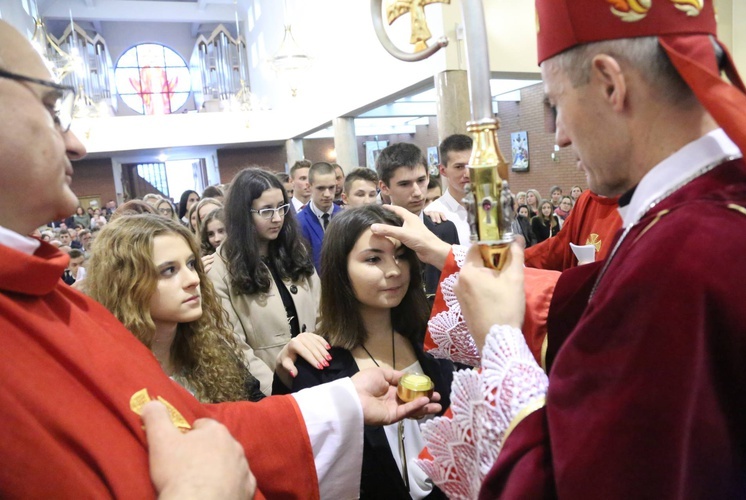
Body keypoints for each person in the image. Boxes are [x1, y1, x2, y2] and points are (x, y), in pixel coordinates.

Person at [0, 20, 441, 499]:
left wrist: (340, 403)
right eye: (50, 107)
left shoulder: (53, 300)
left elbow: (197, 424)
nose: (76, 144)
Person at [390, 1, 746, 497]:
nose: (557, 137)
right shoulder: (710, 211)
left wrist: (501, 338)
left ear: (610, 83)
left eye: (556, 104)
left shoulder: (684, 254)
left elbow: (583, 482)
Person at [292, 205, 453, 499]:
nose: (393, 271)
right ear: (340, 269)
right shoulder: (319, 365)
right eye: (373, 259)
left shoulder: (431, 337)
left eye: (401, 256)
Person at [86, 214, 265, 403]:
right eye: (169, 270)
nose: (193, 279)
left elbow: (256, 413)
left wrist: (284, 372)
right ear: (128, 285)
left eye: (191, 264)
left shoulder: (212, 350)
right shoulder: (107, 378)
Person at [208, 167, 320, 395]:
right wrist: (276, 390)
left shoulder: (294, 250)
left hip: (316, 378)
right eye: (266, 210)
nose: (277, 218)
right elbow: (234, 345)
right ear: (243, 214)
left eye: (281, 207)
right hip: (267, 389)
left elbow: (322, 311)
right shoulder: (220, 268)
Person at [376, 143, 459, 300]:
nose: (416, 192)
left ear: (428, 176)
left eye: (421, 180)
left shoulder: (444, 228)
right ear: (385, 187)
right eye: (405, 184)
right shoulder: (376, 232)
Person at [525, 189, 621, 271]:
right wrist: (522, 258)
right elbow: (561, 244)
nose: (580, 167)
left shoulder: (634, 207)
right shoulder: (585, 199)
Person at [424, 134, 472, 246]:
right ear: (443, 170)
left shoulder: (490, 206)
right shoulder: (434, 215)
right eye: (459, 167)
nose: (468, 174)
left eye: (471, 165)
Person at [297, 161, 343, 273]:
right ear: (309, 186)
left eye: (331, 187)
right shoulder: (298, 222)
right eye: (321, 188)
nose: (327, 194)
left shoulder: (345, 217)